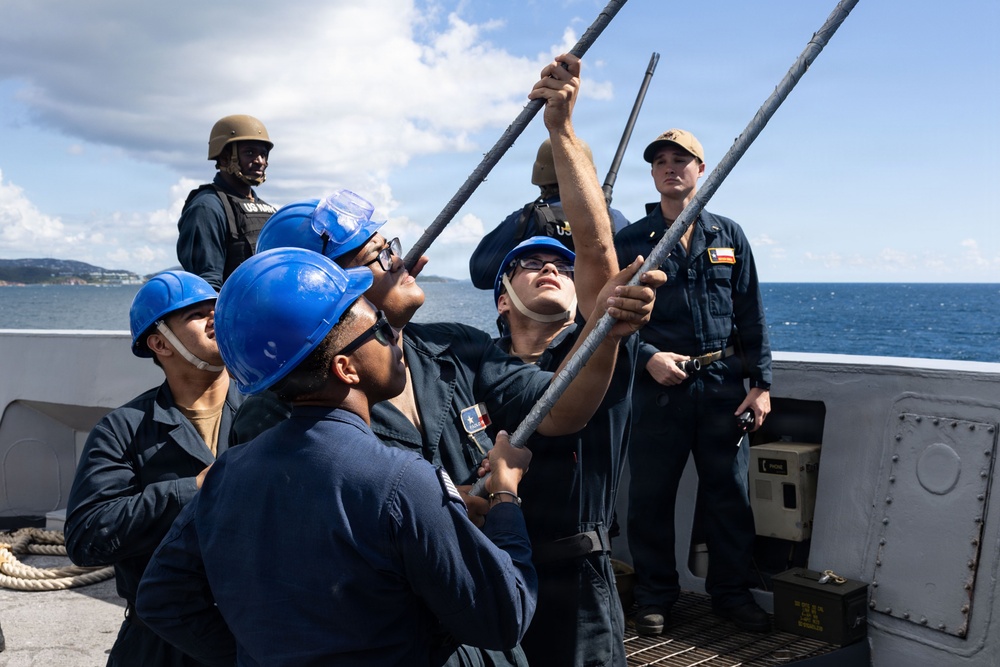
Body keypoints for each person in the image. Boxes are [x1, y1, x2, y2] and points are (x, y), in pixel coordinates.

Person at [136, 248, 538, 666]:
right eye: (380, 330)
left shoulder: (224, 476)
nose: (394, 337)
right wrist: (506, 495)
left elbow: (164, 597)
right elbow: (504, 616)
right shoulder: (402, 480)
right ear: (346, 368)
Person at [483, 53, 661, 666]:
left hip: (582, 584)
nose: (550, 266)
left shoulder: (597, 344)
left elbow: (594, 250)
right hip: (497, 565)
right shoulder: (479, 364)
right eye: (530, 263)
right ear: (502, 301)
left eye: (558, 264)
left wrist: (562, 130)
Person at [614, 128, 773, 635]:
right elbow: (603, 320)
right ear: (654, 174)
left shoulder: (729, 235)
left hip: (723, 386)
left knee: (730, 496)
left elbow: (750, 314)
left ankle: (731, 593)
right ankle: (656, 596)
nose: (669, 167)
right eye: (660, 160)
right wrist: (648, 358)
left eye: (681, 159)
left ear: (701, 170)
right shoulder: (632, 241)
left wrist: (761, 383)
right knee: (650, 500)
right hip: (658, 390)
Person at [64, 270, 244, 666]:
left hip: (256, 629)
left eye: (218, 308)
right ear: (160, 343)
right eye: (198, 314)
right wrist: (193, 489)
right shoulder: (123, 429)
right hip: (160, 640)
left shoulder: (269, 408)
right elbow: (86, 538)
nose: (216, 317)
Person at [468, 136, 630, 290]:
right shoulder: (617, 220)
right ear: (589, 175)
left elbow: (480, 274)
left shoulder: (527, 220)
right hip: (601, 314)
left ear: (540, 175)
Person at [176, 114, 277, 288]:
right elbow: (207, 283)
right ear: (224, 158)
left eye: (263, 154)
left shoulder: (267, 210)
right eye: (250, 153)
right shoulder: (206, 207)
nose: (260, 161)